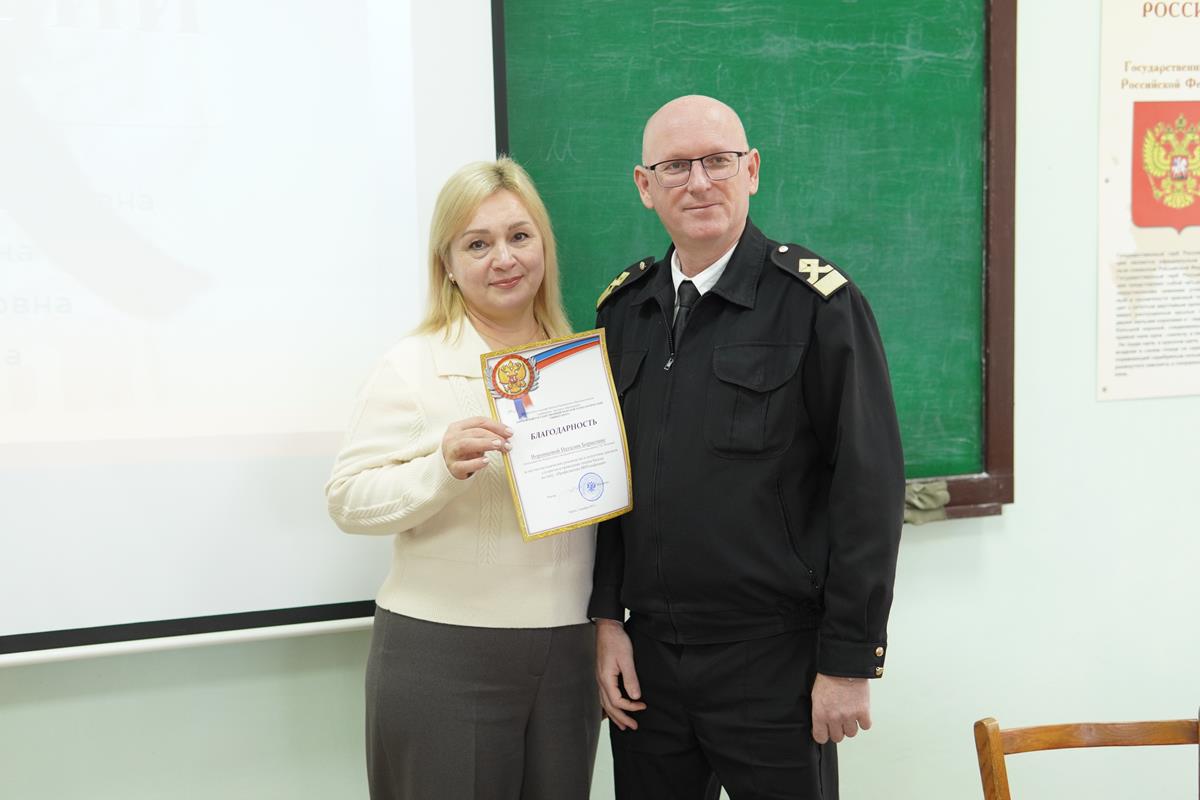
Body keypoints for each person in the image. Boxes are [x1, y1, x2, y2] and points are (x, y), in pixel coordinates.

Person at [590, 95, 905, 799]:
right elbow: (603, 483)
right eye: (675, 166)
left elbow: (869, 490)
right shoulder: (623, 313)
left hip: (775, 661)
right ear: (645, 186)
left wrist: (850, 660)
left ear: (752, 170)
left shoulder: (817, 304)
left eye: (718, 161)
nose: (699, 182)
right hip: (648, 667)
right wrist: (606, 619)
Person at [326, 157, 600, 800]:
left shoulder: (584, 361)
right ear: (446, 264)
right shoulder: (411, 365)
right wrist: (440, 470)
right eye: (477, 244)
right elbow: (346, 499)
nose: (503, 258)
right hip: (444, 654)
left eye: (519, 236)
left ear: (543, 246)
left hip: (570, 654)